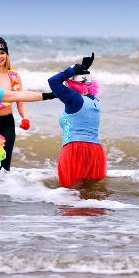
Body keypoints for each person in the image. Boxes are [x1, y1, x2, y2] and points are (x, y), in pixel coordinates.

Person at [47, 53, 107, 187]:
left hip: (75, 149)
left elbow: (53, 81)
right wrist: (84, 68)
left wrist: (72, 70)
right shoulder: (94, 100)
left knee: (70, 195)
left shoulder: (74, 99)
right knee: (91, 195)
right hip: (96, 151)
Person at [0, 36, 29, 171]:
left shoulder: (14, 76)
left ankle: (2, 191)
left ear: (7, 54)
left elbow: (20, 102)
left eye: (2, 52)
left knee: (4, 167)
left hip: (7, 124)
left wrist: (25, 118)